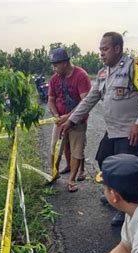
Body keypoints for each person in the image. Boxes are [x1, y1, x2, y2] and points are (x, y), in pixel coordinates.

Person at [61, 32, 138, 225]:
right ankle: (114, 192)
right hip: (112, 129)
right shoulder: (104, 72)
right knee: (103, 160)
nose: (101, 53)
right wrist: (71, 120)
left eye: (105, 49)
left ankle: (127, 208)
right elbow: (89, 99)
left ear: (117, 49)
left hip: (130, 129)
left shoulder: (134, 66)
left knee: (126, 169)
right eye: (100, 50)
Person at [48, 48, 92, 192]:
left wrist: (70, 117)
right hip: (60, 121)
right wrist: (55, 115)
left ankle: (72, 179)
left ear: (66, 63)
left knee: (77, 151)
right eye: (53, 64)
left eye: (56, 64)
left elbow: (85, 101)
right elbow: (51, 100)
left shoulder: (81, 76)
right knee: (56, 148)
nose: (54, 68)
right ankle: (54, 173)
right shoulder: (54, 79)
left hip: (78, 121)